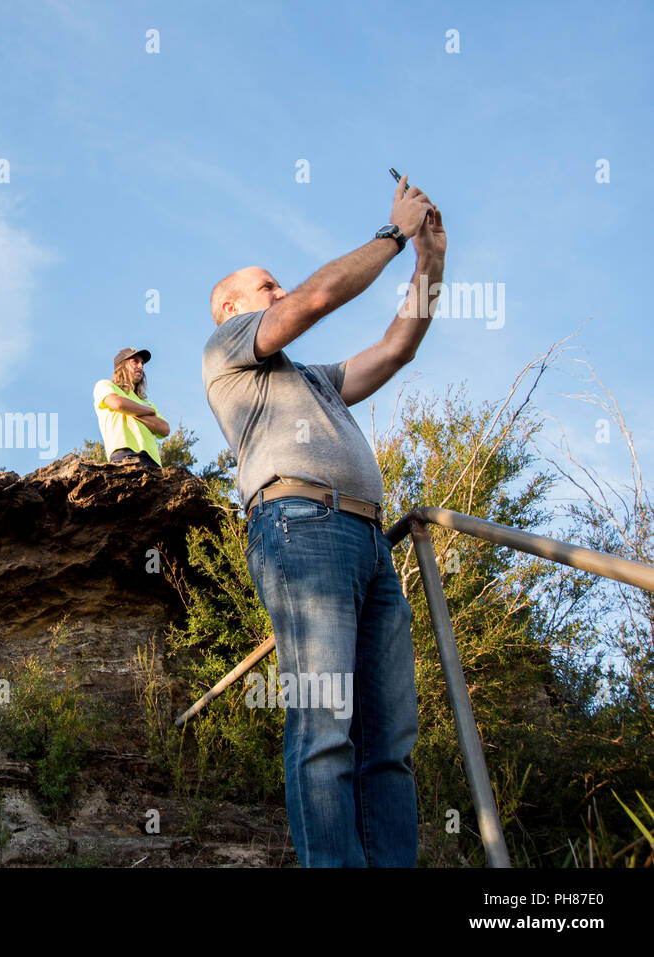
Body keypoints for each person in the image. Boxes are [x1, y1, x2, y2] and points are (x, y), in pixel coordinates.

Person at [202, 176, 446, 866]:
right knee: (325, 728)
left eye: (276, 285)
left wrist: (430, 262)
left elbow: (396, 350)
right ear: (230, 308)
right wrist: (392, 235)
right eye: (265, 285)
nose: (279, 292)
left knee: (390, 741)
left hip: (370, 541)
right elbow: (315, 298)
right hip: (301, 527)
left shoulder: (309, 377)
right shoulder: (226, 351)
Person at [92, 348, 170, 467]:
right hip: (124, 453)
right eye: (135, 361)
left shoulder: (147, 402)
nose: (141, 366)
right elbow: (117, 403)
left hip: (153, 460)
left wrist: (131, 410)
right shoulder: (105, 385)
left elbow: (164, 429)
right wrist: (148, 412)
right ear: (122, 365)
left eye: (142, 363)